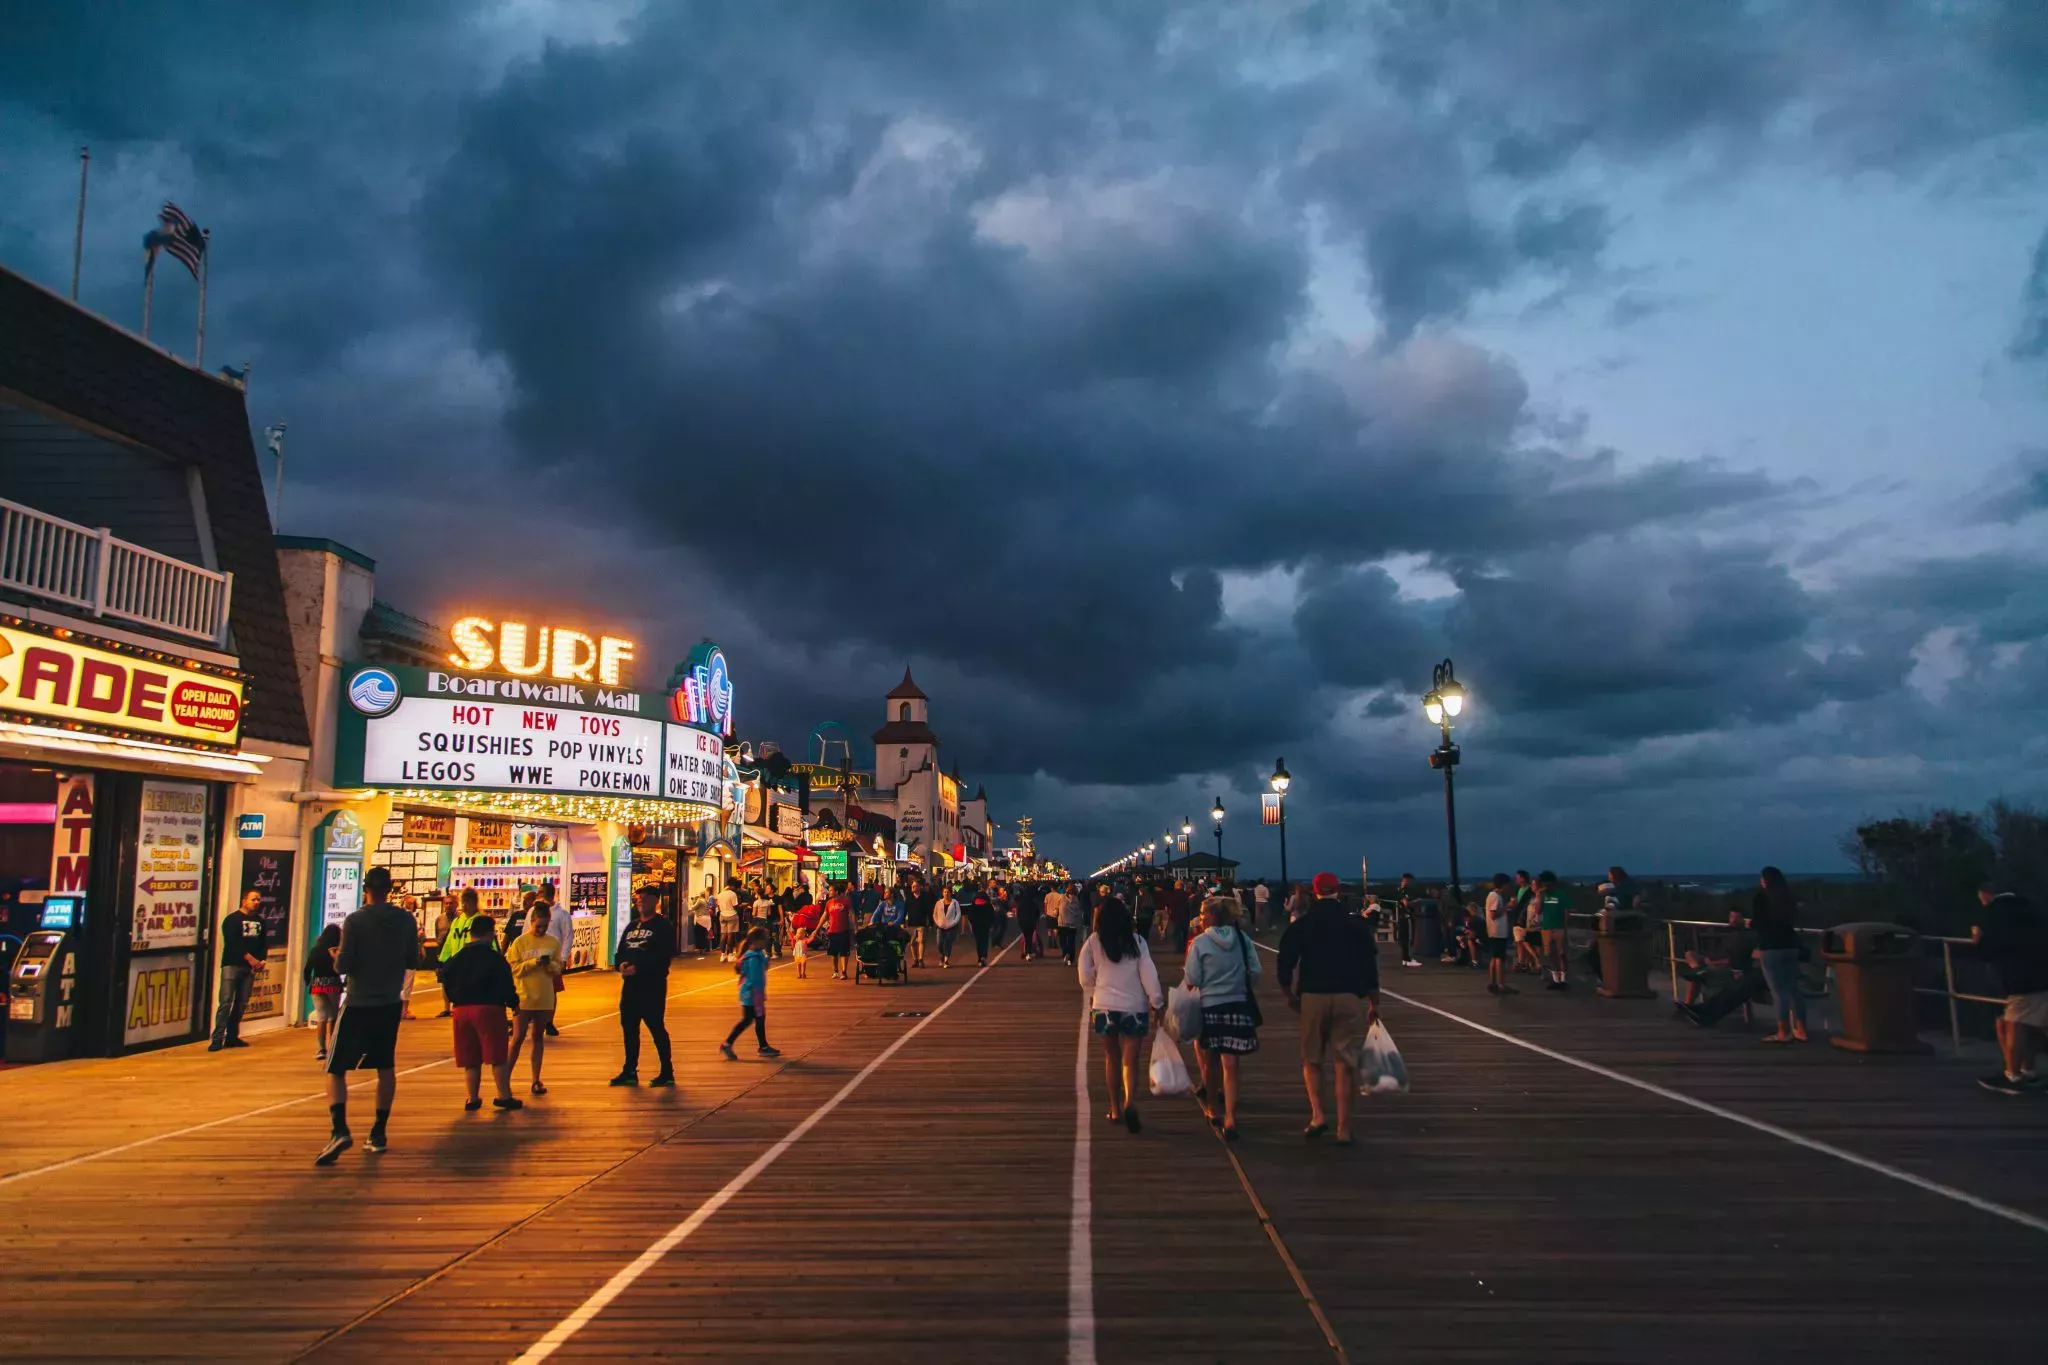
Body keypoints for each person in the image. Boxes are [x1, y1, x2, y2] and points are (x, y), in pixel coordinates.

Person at [316, 866, 419, 1166]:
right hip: (389, 1002)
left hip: (359, 1002)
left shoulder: (356, 920)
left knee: (334, 1068)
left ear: (366, 889)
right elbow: (413, 959)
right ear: (390, 888)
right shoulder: (405, 920)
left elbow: (343, 966)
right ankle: (378, 1130)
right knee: (385, 1067)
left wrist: (336, 956)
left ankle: (339, 1129)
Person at [1277, 872, 1379, 1146]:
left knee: (1312, 1060)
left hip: (1313, 995)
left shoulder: (1303, 924)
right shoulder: (1355, 925)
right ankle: (1344, 1129)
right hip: (1348, 995)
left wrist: (1288, 993)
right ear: (1338, 890)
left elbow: (1285, 960)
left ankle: (1318, 1115)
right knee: (1345, 1064)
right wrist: (1373, 1001)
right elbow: (1369, 964)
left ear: (1314, 891)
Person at [1078, 894, 1163, 1134]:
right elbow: (1149, 974)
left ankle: (1114, 1108)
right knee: (1131, 1060)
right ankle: (1130, 1102)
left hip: (1104, 1006)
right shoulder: (1137, 941)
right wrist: (1157, 1002)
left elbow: (1084, 974)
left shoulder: (1094, 941)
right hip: (1134, 1007)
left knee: (1111, 1058)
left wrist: (1094, 992)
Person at [1183, 894, 1261, 1141]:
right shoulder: (1242, 938)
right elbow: (1256, 971)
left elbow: (1192, 978)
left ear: (1213, 917)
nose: (1201, 918)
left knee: (1211, 1062)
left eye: (1204, 914)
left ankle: (1213, 1109)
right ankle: (1231, 1117)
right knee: (1232, 1064)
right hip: (1238, 1004)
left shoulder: (1200, 942)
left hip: (1211, 1006)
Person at [441, 914, 524, 1112]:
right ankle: (503, 1096)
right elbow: (506, 984)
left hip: (461, 1011)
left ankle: (472, 1098)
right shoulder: (495, 959)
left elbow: (445, 979)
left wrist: (454, 999)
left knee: (470, 1059)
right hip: (489, 1009)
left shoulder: (457, 958)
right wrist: (513, 1004)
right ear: (489, 933)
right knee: (497, 1055)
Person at [1971, 883, 2048, 1094]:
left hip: (2022, 978)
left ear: (1987, 893)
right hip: (2041, 972)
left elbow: (1989, 949)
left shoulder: (1996, 913)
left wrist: (1978, 939)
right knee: (2034, 1022)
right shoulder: (2028, 908)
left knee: (2016, 1021)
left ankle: (2013, 1076)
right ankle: (2027, 1071)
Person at [611, 885, 678, 1087]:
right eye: (638, 899)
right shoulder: (632, 927)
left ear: (655, 901)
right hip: (630, 987)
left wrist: (639, 968)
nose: (640, 902)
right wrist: (621, 965)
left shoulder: (663, 926)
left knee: (656, 1027)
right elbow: (620, 951)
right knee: (629, 1028)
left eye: (645, 899)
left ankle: (667, 1071)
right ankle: (630, 1069)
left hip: (652, 986)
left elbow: (663, 956)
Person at [507, 904, 563, 1095]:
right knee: (518, 1037)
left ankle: (536, 1079)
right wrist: (533, 962)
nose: (541, 930)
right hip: (524, 996)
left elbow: (558, 968)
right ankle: (504, 1078)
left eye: (544, 927)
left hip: (544, 996)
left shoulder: (553, 943)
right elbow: (514, 969)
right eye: (538, 926)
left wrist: (549, 965)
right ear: (532, 922)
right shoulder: (520, 943)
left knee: (538, 1036)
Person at [1678, 911, 1767, 1026]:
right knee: (1741, 984)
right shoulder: (1744, 936)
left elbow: (1747, 956)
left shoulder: (1756, 936)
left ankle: (1706, 1013)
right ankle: (1704, 1011)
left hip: (1770, 973)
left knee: (1743, 983)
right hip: (1760, 971)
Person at [1751, 866, 1808, 1043]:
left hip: (1771, 947)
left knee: (1779, 992)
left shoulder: (1762, 898)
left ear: (1765, 880)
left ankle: (1783, 1032)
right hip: (1791, 946)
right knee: (1794, 989)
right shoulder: (1788, 897)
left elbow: (1758, 923)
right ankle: (1802, 1030)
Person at [209, 889, 269, 1050]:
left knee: (241, 1002)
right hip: (232, 964)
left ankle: (232, 1036)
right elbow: (232, 942)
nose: (256, 902)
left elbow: (263, 943)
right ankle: (217, 1038)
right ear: (244, 900)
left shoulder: (260, 921)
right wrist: (250, 958)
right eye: (253, 899)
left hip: (250, 969)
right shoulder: (232, 919)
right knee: (225, 1002)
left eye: (258, 900)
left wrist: (262, 960)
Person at [720, 927, 781, 1060]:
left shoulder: (756, 954)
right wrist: (758, 997)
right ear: (757, 941)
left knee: (752, 1019)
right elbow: (755, 979)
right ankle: (729, 1043)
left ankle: (761, 1046)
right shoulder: (752, 958)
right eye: (764, 939)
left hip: (751, 994)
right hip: (752, 994)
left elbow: (764, 967)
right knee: (752, 1019)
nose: (766, 941)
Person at [435, 889, 479, 1018]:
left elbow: (490, 943)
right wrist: (442, 960)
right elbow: (449, 942)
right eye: (463, 902)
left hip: (474, 963)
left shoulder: (479, 919)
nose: (464, 905)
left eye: (467, 902)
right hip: (457, 963)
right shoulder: (457, 921)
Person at [304, 923, 343, 1062]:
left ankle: (321, 1049)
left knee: (321, 1018)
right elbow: (341, 968)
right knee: (333, 1017)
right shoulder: (336, 950)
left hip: (317, 985)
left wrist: (308, 982)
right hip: (332, 983)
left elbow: (307, 968)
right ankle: (333, 1046)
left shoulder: (316, 949)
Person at [539, 884, 575, 1036]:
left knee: (552, 991)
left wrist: (563, 957)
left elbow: (568, 936)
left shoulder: (562, 915)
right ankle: (534, 1019)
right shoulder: (532, 913)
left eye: (540, 892)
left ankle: (549, 1022)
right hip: (535, 956)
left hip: (553, 958)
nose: (538, 895)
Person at [1482, 873, 1517, 996]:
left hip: (1493, 931)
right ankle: (1501, 984)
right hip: (1497, 931)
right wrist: (1508, 906)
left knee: (1494, 957)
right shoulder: (1495, 896)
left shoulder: (1493, 895)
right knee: (1499, 958)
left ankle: (1493, 982)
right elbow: (1493, 914)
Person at [1535, 871, 1568, 990]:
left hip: (1559, 927)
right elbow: (1538, 911)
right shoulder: (1543, 895)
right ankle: (1555, 979)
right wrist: (1538, 896)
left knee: (1562, 954)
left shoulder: (1560, 894)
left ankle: (1564, 979)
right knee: (1550, 954)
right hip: (1547, 928)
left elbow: (1566, 910)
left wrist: (1565, 927)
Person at [1512, 870, 1541, 974]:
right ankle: (1526, 962)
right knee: (1522, 942)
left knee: (1526, 941)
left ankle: (1532, 962)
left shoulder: (1529, 892)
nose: (1516, 879)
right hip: (1522, 919)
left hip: (1526, 921)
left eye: (1518, 877)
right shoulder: (1520, 890)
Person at [904, 877, 934, 968]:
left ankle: (921, 959)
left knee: (921, 941)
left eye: (916, 886)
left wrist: (931, 923)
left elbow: (929, 910)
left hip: (921, 922)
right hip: (911, 923)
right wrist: (903, 921)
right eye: (912, 886)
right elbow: (905, 910)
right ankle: (915, 959)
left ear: (919, 887)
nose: (914, 888)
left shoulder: (925, 897)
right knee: (912, 942)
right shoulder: (909, 898)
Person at [1394, 873, 1421, 968]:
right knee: (1407, 939)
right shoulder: (1405, 891)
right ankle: (1407, 959)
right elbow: (1406, 903)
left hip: (1401, 916)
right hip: (1405, 917)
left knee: (1404, 939)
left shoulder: (1400, 890)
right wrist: (1416, 901)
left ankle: (1405, 959)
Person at [933, 885, 963, 967]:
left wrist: (954, 922)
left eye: (948, 892)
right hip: (940, 926)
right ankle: (941, 956)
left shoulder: (955, 903)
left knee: (948, 942)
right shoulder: (938, 903)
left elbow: (958, 914)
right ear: (942, 893)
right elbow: (935, 914)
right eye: (945, 892)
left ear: (950, 893)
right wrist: (938, 923)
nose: (946, 894)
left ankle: (946, 959)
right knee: (939, 943)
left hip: (951, 927)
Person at [965, 884, 995, 967]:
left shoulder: (973, 906)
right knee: (985, 941)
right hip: (985, 926)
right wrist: (991, 925)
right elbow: (992, 916)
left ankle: (980, 957)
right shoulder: (988, 905)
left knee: (978, 942)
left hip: (976, 926)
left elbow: (970, 917)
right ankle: (983, 956)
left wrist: (972, 924)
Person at [1016, 883, 1044, 961]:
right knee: (1029, 937)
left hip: (1023, 922)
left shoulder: (1021, 902)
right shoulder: (1033, 903)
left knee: (1025, 936)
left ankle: (1026, 951)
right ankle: (1029, 952)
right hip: (1031, 922)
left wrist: (1019, 919)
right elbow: (1037, 913)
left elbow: (1018, 913)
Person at [716, 880, 742, 958]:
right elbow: (735, 906)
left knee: (723, 934)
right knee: (731, 935)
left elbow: (718, 906)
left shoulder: (720, 894)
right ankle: (730, 954)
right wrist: (740, 906)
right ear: (733, 886)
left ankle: (723, 954)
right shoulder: (732, 894)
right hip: (732, 915)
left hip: (722, 915)